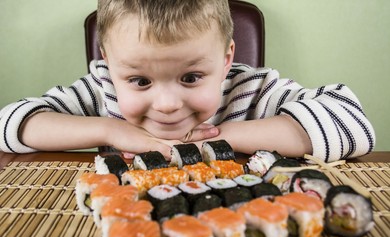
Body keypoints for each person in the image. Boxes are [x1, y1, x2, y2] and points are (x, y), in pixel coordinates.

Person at [0, 0, 375, 163]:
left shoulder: (251, 90)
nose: (166, 104)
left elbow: (353, 123)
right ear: (108, 62)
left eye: (191, 77)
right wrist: (109, 131)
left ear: (227, 58)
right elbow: (9, 124)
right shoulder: (103, 92)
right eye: (140, 81)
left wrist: (225, 138)